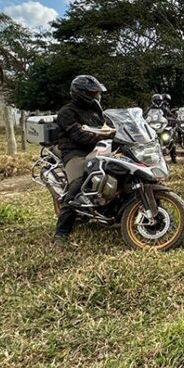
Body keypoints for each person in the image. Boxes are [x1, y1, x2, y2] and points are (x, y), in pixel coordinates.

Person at [53, 75, 112, 244]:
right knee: (79, 183)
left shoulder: (96, 108)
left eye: (96, 93)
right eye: (92, 93)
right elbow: (79, 136)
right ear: (81, 93)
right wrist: (103, 137)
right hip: (75, 152)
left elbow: (107, 125)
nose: (96, 96)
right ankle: (61, 231)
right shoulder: (67, 112)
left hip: (97, 148)